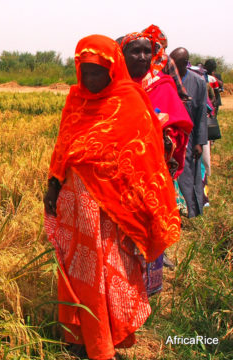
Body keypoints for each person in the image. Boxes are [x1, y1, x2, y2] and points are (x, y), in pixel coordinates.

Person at [43, 34, 180, 360]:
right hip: (76, 207)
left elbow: (145, 156)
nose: (90, 79)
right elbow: (63, 145)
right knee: (77, 272)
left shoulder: (130, 99)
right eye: (85, 71)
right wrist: (52, 184)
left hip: (113, 211)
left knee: (107, 273)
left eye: (97, 71)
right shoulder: (76, 99)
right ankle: (81, 337)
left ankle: (102, 343)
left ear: (112, 68)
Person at [121, 30, 193, 276]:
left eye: (147, 52)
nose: (142, 57)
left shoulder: (162, 85)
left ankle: (149, 278)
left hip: (154, 171)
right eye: (135, 51)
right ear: (122, 55)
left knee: (152, 221)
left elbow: (179, 124)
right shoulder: (112, 86)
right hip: (120, 174)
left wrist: (166, 139)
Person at [170, 47, 209, 218]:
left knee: (190, 174)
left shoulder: (198, 82)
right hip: (172, 134)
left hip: (191, 135)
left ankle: (192, 211)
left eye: (177, 64)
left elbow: (201, 115)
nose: (174, 67)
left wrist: (200, 142)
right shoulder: (167, 80)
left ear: (186, 63)